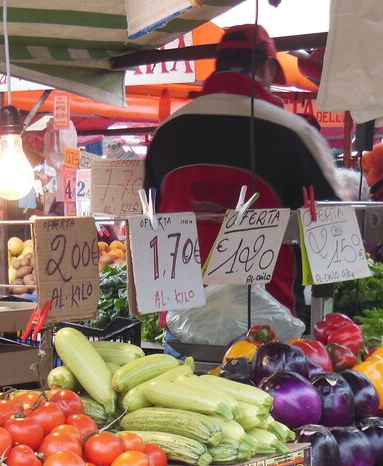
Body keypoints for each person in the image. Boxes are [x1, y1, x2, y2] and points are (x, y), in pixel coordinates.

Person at [144, 24, 342, 315]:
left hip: (181, 315)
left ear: (219, 64)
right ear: (267, 66)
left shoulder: (166, 131)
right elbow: (330, 225)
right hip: (266, 325)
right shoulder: (293, 132)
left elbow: (148, 215)